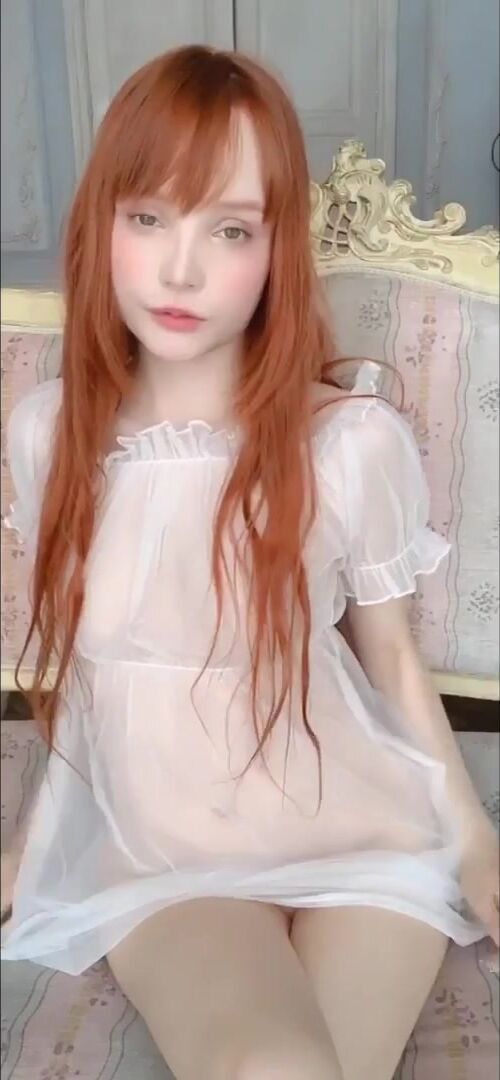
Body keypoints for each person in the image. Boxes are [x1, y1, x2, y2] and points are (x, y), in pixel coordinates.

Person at [1, 45, 498, 1080]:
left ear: (276, 251)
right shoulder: (51, 433)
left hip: (359, 833)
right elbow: (86, 676)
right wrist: (36, 844)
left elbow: (391, 662)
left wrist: (479, 848)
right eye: (148, 217)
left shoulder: (347, 442)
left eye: (228, 229)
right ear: (100, 226)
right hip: (170, 859)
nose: (180, 270)